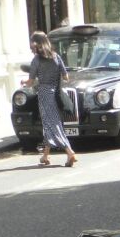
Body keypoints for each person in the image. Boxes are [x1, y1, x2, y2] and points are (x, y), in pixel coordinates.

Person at [24, 31, 76, 167]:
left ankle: (69, 152)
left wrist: (24, 82)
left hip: (44, 93)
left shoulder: (36, 60)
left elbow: (30, 82)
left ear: (37, 44)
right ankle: (45, 156)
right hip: (56, 93)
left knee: (52, 124)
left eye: (32, 45)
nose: (31, 48)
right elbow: (66, 77)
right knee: (49, 123)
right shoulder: (56, 56)